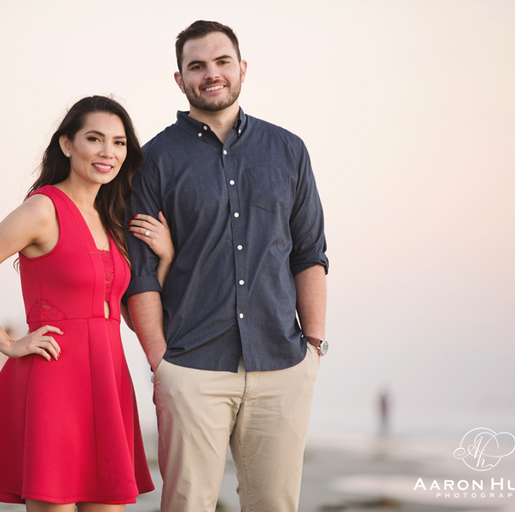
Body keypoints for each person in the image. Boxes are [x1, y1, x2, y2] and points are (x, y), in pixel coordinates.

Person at [125, 21, 329, 512]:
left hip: (282, 362)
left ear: (242, 68)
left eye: (221, 62)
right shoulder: (152, 161)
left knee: (274, 504)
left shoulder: (288, 151)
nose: (210, 74)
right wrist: (160, 363)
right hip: (191, 364)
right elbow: (140, 272)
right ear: (180, 79)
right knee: (187, 504)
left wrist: (315, 347)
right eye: (197, 66)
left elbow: (309, 253)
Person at [0, 96, 172, 511]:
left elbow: (131, 316)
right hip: (55, 380)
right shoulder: (42, 209)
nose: (108, 152)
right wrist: (9, 344)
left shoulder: (112, 218)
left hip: (109, 378)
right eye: (95, 138)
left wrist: (166, 258)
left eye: (119, 143)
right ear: (67, 144)